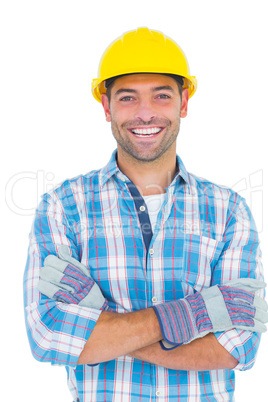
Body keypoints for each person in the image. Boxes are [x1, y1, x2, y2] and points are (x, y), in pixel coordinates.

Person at [24, 27, 267, 401]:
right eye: (127, 98)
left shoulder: (228, 210)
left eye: (161, 95)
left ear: (183, 102)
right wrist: (196, 313)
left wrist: (100, 317)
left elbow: (237, 348)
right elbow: (49, 336)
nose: (145, 113)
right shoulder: (63, 207)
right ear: (106, 107)